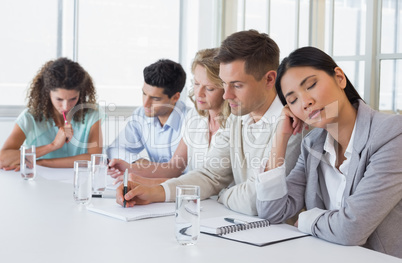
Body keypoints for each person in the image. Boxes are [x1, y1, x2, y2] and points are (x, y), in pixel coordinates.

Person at [116, 30, 303, 216]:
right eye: (223, 84)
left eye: (237, 85)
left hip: (282, 236)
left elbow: (257, 200)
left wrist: (222, 194)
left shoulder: (292, 124)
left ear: (269, 79)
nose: (226, 95)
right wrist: (153, 193)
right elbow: (210, 176)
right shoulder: (238, 116)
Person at [255, 46, 402, 258]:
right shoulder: (312, 145)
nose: (305, 102)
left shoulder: (391, 134)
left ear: (339, 78)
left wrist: (307, 219)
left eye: (311, 85)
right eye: (293, 100)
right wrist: (281, 137)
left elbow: (351, 229)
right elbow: (272, 213)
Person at [108, 48, 230, 185]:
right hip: (193, 196)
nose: (198, 93)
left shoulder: (233, 124)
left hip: (210, 197)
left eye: (209, 88)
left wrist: (149, 182)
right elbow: (174, 168)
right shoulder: (195, 118)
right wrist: (132, 167)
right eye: (196, 84)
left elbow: (205, 179)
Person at [0, 57, 104, 169]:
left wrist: (40, 162)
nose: (66, 106)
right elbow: (3, 159)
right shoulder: (29, 117)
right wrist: (52, 146)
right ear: (47, 94)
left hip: (79, 183)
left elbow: (95, 158)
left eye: (73, 99)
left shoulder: (92, 115)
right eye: (59, 99)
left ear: (81, 93)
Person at [106, 59, 188, 165]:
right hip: (151, 179)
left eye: (155, 98)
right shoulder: (141, 114)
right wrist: (139, 162)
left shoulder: (192, 120)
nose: (145, 104)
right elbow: (114, 150)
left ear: (175, 97)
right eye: (144, 94)